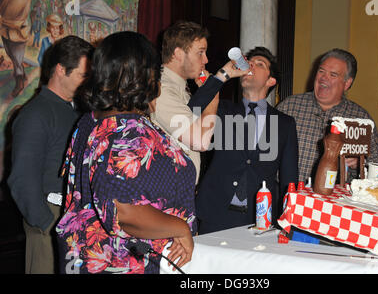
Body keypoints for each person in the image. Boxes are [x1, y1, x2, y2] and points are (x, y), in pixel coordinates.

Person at [56, 31, 196, 274]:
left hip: (88, 258)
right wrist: (180, 228)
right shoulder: (128, 130)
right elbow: (124, 212)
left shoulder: (90, 122)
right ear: (144, 75)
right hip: (127, 262)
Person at [7, 35, 93, 274]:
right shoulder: (36, 113)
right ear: (60, 69)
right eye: (82, 75)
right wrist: (48, 224)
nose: (87, 82)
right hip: (50, 218)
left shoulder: (75, 109)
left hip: (72, 216)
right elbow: (22, 180)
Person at [195, 47, 298, 234]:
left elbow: (289, 179)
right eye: (249, 62)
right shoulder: (223, 110)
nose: (251, 65)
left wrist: (288, 223)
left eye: (259, 64)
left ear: (270, 80)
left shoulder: (285, 124)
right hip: (215, 212)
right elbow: (191, 110)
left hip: (260, 218)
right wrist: (222, 75)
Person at [152, 21, 247, 184]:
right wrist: (214, 94)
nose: (206, 59)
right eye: (200, 53)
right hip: (165, 193)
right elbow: (200, 141)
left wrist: (222, 76)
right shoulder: (161, 89)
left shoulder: (180, 87)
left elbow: (190, 116)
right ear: (178, 53)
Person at [276, 48, 378, 183]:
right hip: (289, 195)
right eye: (321, 71)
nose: (323, 78)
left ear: (347, 83)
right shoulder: (289, 107)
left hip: (335, 200)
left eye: (333, 75)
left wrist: (361, 163)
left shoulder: (360, 118)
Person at [0, 0, 32, 97]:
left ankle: (19, 82)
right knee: (11, 54)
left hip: (18, 31)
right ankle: (21, 73)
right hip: (5, 29)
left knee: (17, 58)